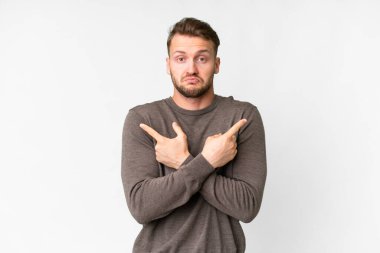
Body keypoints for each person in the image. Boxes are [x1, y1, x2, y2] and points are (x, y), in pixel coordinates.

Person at [121, 17, 267, 253]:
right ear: (168, 65)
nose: (191, 68)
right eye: (181, 59)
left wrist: (183, 162)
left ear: (216, 64)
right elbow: (142, 207)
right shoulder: (143, 119)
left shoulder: (242, 117)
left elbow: (247, 206)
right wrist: (208, 162)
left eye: (202, 58)